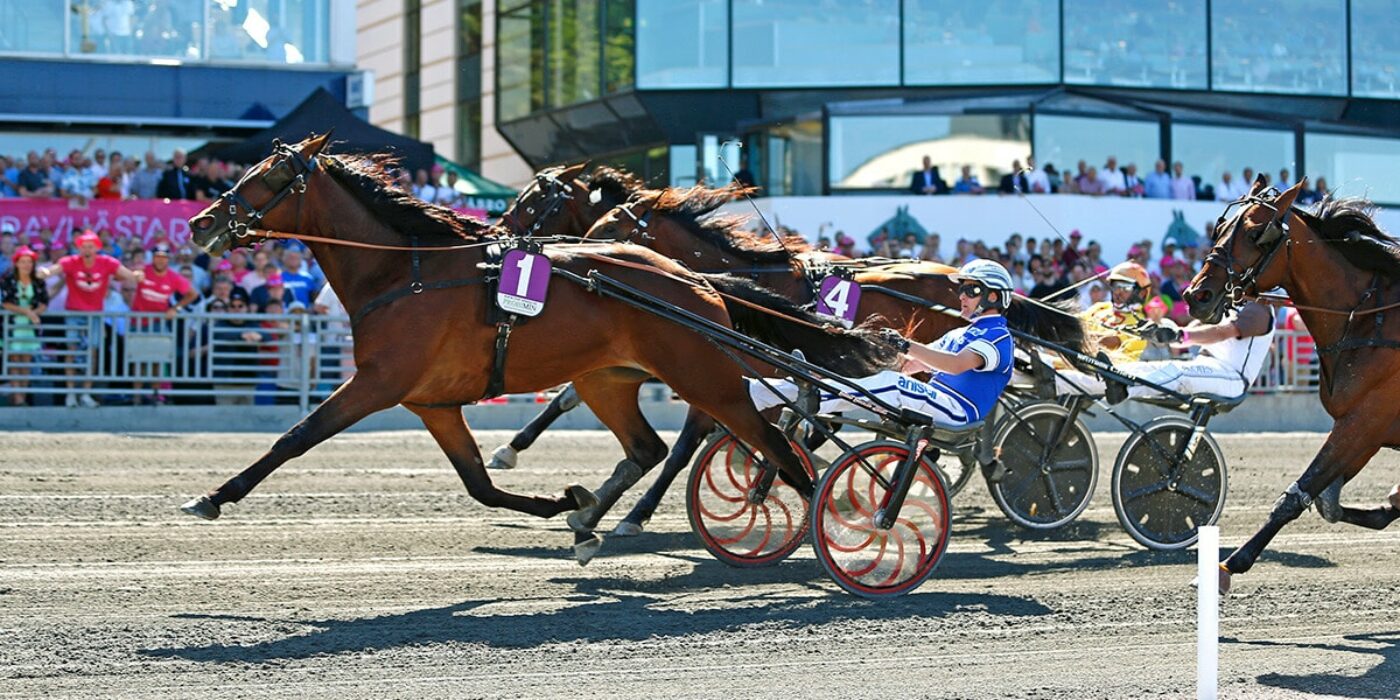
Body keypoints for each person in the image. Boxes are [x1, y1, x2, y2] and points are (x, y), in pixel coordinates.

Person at [749, 260, 1014, 427]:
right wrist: (857, 348)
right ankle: (765, 392)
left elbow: (955, 366)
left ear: (993, 296)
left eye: (972, 291)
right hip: (938, 403)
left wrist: (905, 344)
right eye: (962, 290)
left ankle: (812, 398)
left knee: (892, 383)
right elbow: (912, 365)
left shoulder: (997, 338)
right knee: (869, 377)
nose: (962, 296)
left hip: (957, 411)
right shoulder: (960, 334)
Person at [1056, 300, 1276, 403]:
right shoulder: (1231, 300)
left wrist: (1181, 336)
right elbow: (1192, 331)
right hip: (1206, 367)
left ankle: (1123, 386)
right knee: (1136, 368)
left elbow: (1222, 332)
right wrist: (1159, 332)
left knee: (1174, 371)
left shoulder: (1259, 309)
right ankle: (1059, 381)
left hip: (1231, 378)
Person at [35, 229, 143, 407]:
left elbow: (127, 274)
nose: (87, 250)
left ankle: (85, 393)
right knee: (71, 352)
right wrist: (45, 272)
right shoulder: (70, 261)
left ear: (96, 248)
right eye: (84, 246)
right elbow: (54, 269)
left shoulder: (106, 262)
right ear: (79, 248)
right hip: (73, 313)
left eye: (90, 247)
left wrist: (136, 275)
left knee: (92, 353)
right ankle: (70, 394)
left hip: (95, 315)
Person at [1, 246, 49, 406]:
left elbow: (44, 302)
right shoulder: (8, 280)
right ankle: (18, 397)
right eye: (23, 262)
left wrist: (35, 313)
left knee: (26, 362)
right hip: (13, 325)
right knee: (14, 361)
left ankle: (22, 395)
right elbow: (6, 303)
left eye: (29, 262)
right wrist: (27, 312)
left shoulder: (38, 281)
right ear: (17, 263)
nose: (26, 265)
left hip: (30, 326)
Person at [1080, 261, 1152, 363]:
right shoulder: (1100, 307)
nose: (1118, 292)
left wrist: (1076, 334)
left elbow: (1108, 343)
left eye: (1126, 288)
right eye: (1116, 286)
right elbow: (1071, 322)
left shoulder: (1141, 324)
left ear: (1142, 293)